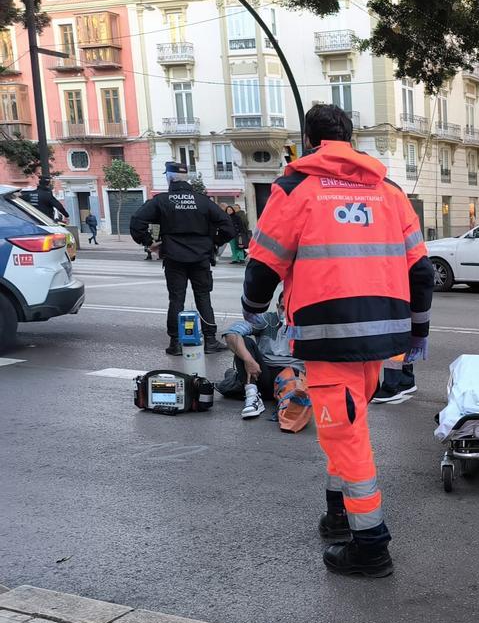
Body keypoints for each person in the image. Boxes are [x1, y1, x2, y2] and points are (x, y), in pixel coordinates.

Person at [242, 103, 435, 578]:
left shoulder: (295, 189)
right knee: (344, 426)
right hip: (381, 335)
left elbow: (263, 267)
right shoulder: (390, 192)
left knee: (346, 437)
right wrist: (418, 331)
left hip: (328, 336)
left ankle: (371, 546)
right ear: (351, 139)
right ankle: (338, 515)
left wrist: (252, 310)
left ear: (309, 140)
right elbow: (421, 271)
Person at [129, 161, 236, 355]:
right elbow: (228, 227)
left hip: (174, 257)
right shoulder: (203, 201)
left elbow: (137, 221)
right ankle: (210, 340)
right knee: (203, 297)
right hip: (200, 258)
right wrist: (213, 242)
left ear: (169, 178)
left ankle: (176, 342)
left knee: (176, 299)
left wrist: (149, 242)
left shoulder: (162, 201)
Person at [219, 296, 311, 429]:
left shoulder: (308, 323)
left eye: (290, 308)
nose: (285, 313)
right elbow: (231, 333)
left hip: (292, 374)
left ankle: (284, 401)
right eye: (283, 308)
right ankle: (252, 395)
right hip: (262, 373)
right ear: (277, 307)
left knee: (296, 406)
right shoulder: (267, 320)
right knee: (243, 342)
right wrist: (248, 359)